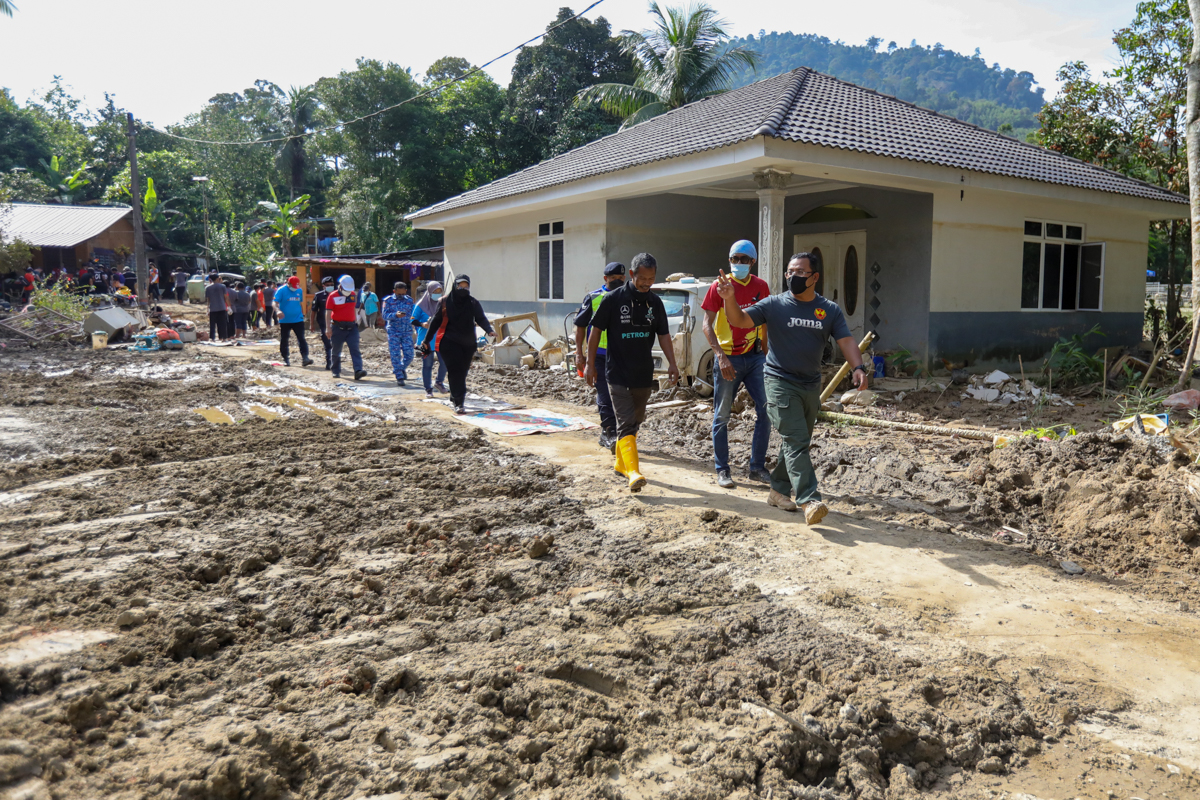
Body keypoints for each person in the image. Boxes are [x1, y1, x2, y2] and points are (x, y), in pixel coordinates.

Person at [715, 251, 869, 526]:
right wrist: (729, 300)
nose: (793, 277)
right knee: (797, 439)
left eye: (800, 272)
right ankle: (810, 499)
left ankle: (777, 490)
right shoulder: (773, 305)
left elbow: (845, 340)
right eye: (790, 272)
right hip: (778, 382)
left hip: (810, 384)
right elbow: (738, 321)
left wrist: (858, 367)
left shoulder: (829, 310)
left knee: (797, 442)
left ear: (815, 277)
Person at [585, 253, 679, 493]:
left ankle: (620, 462)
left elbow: (664, 334)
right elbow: (595, 331)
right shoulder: (613, 299)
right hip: (616, 372)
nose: (647, 283)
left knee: (636, 420)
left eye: (651, 278)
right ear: (632, 275)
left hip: (643, 373)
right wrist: (588, 363)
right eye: (643, 278)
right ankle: (634, 473)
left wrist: (672, 363)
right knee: (626, 422)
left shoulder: (655, 303)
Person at [701, 240, 773, 489]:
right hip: (728, 358)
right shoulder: (718, 287)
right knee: (721, 415)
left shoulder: (761, 287)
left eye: (744, 259)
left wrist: (766, 351)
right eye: (735, 258)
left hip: (754, 359)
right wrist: (720, 357)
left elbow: (764, 322)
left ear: (752, 262)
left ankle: (757, 467)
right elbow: (706, 324)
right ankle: (722, 470)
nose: (739, 263)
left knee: (766, 411)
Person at [574, 261, 627, 451]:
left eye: (621, 279)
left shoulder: (629, 297)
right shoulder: (594, 297)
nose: (617, 282)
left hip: (622, 356)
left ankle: (622, 432)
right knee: (604, 393)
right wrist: (580, 355)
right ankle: (609, 432)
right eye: (613, 279)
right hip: (599, 355)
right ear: (605, 279)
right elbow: (580, 326)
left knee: (622, 395)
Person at [422, 274, 493, 414]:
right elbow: (435, 322)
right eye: (460, 286)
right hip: (449, 343)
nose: (463, 289)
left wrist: (489, 331)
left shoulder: (472, 303)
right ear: (455, 286)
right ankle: (459, 402)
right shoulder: (444, 302)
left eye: (466, 286)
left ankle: (454, 396)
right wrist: (426, 340)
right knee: (455, 372)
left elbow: (481, 318)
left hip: (468, 344)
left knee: (462, 372)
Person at [326, 274, 366, 380]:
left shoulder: (353, 294)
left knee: (355, 349)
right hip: (337, 327)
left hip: (352, 327)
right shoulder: (332, 296)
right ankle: (335, 371)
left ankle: (358, 370)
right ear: (340, 286)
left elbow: (352, 308)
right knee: (336, 351)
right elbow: (328, 312)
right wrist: (328, 328)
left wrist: (355, 320)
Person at [413, 281, 447, 398]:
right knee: (427, 365)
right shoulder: (421, 305)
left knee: (445, 363)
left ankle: (439, 382)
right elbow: (412, 320)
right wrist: (423, 324)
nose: (437, 294)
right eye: (435, 292)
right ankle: (428, 389)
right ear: (429, 292)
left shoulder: (443, 305)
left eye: (439, 291)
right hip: (426, 340)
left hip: (441, 339)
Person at [274, 275, 312, 367]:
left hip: (298, 319)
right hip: (285, 320)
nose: (295, 288)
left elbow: (300, 303)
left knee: (301, 338)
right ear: (288, 283)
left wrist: (303, 314)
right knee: (284, 339)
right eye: (293, 286)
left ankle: (305, 358)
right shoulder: (281, 290)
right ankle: (286, 359)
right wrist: (278, 311)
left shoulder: (299, 290)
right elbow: (274, 302)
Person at [382, 281, 415, 386]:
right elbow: (384, 315)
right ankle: (399, 376)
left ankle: (400, 369)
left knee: (409, 355)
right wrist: (395, 315)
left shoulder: (410, 301)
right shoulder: (388, 301)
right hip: (393, 331)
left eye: (402, 293)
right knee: (395, 355)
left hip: (406, 331)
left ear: (406, 291)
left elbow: (413, 315)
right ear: (394, 291)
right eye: (398, 294)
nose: (400, 296)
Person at [311, 275, 335, 370]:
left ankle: (334, 361)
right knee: (327, 343)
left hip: (336, 322)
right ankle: (329, 362)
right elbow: (314, 311)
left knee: (335, 343)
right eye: (328, 285)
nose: (330, 286)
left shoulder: (338, 294)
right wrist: (311, 324)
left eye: (331, 284)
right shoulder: (319, 296)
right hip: (323, 323)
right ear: (323, 286)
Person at [205, 273, 230, 341]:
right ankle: (223, 337)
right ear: (217, 279)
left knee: (212, 324)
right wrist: (229, 307)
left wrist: (208, 309)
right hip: (222, 307)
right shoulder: (222, 286)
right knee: (222, 323)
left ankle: (212, 338)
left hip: (213, 308)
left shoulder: (208, 287)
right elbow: (226, 297)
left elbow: (208, 300)